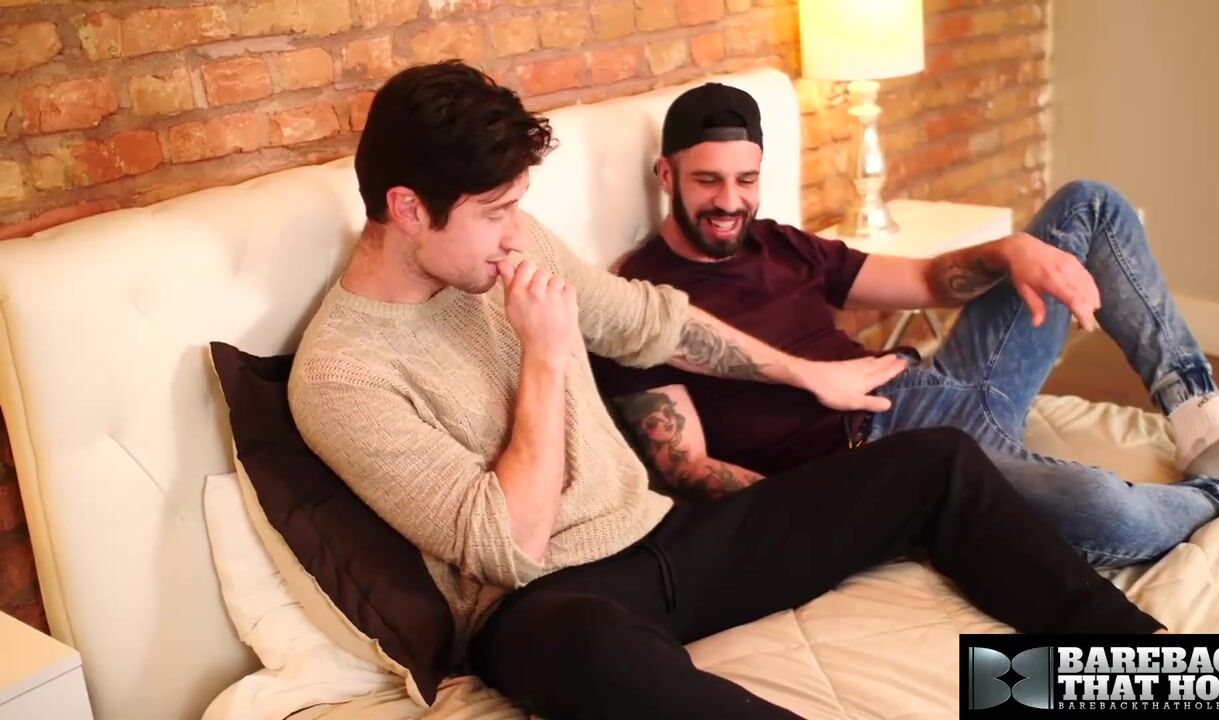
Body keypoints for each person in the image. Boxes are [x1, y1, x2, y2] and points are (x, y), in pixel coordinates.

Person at [288, 62, 1163, 720]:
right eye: (494, 212)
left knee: (936, 460)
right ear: (409, 209)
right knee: (584, 649)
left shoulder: (507, 247)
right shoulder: (341, 374)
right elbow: (511, 546)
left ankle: (1146, 670)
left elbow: (649, 322)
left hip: (668, 536)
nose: (515, 234)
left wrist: (804, 372)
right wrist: (547, 359)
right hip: (543, 601)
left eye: (517, 206)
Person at [593, 82, 1219, 570]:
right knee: (1109, 512)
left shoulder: (781, 243)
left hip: (941, 383)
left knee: (1089, 205)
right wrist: (847, 508)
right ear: (666, 175)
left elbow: (926, 281)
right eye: (708, 181)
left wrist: (1010, 251)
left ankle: (1199, 415)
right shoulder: (636, 302)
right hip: (891, 454)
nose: (730, 202)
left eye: (746, 180)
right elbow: (687, 467)